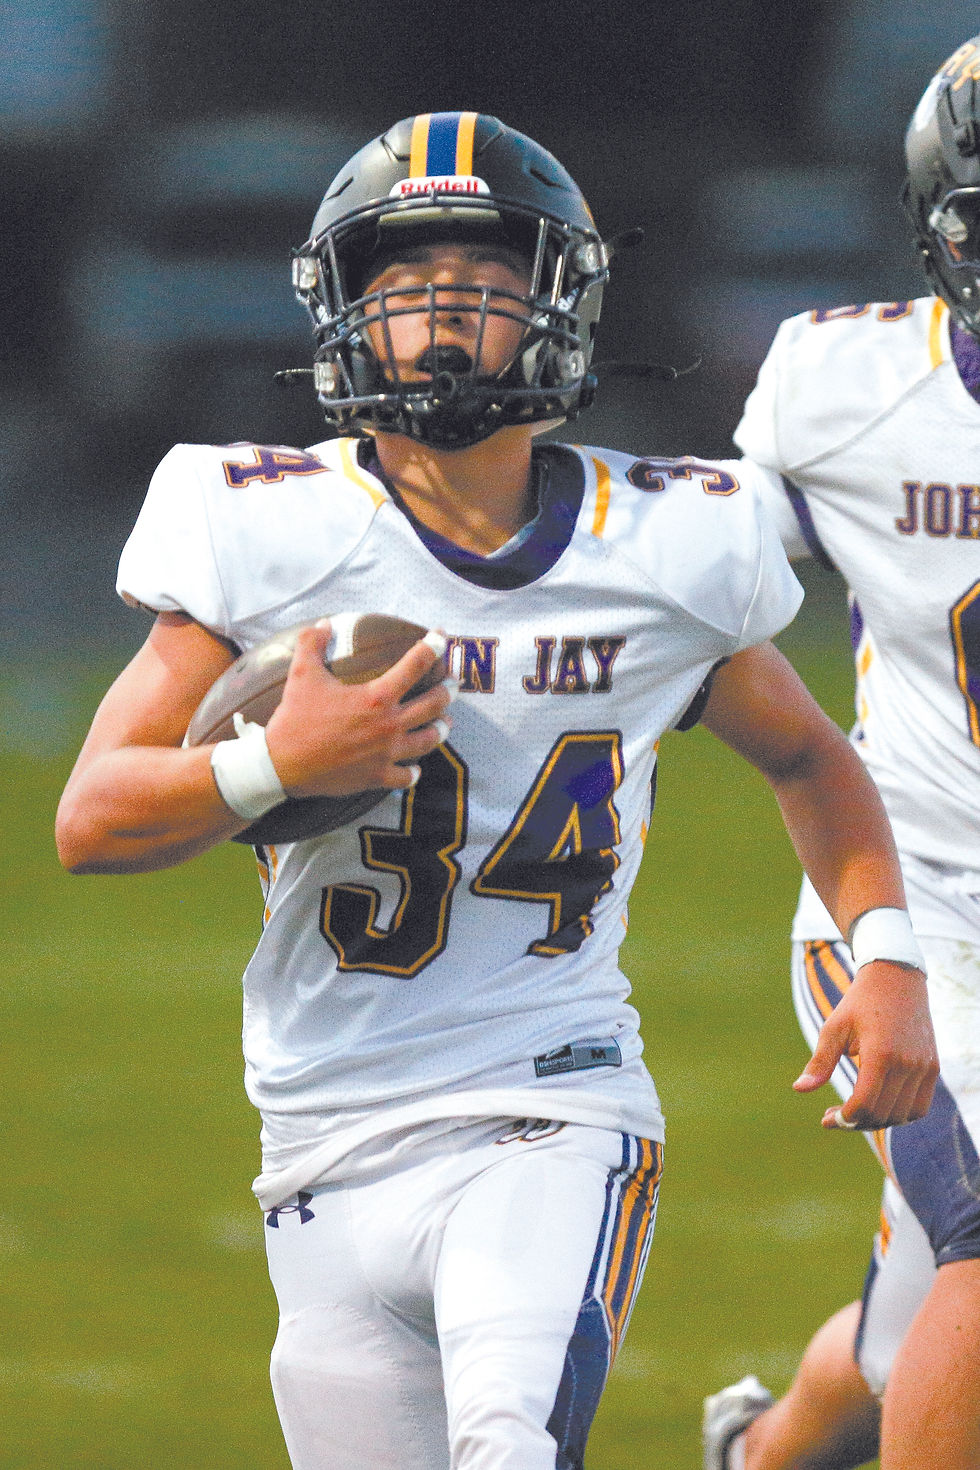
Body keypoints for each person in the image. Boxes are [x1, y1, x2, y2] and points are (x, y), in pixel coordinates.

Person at [55, 112, 937, 1470]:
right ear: (347, 308)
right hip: (322, 1125)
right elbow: (93, 815)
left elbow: (811, 753)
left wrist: (883, 954)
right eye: (406, 283)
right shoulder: (258, 522)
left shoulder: (668, 537)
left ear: (560, 301)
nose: (445, 311)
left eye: (486, 278)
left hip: (553, 1097)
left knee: (509, 1443)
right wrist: (279, 763)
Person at [702, 36, 980, 1470]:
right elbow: (696, 585)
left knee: (910, 1330)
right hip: (916, 908)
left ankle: (756, 1455)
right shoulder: (846, 384)